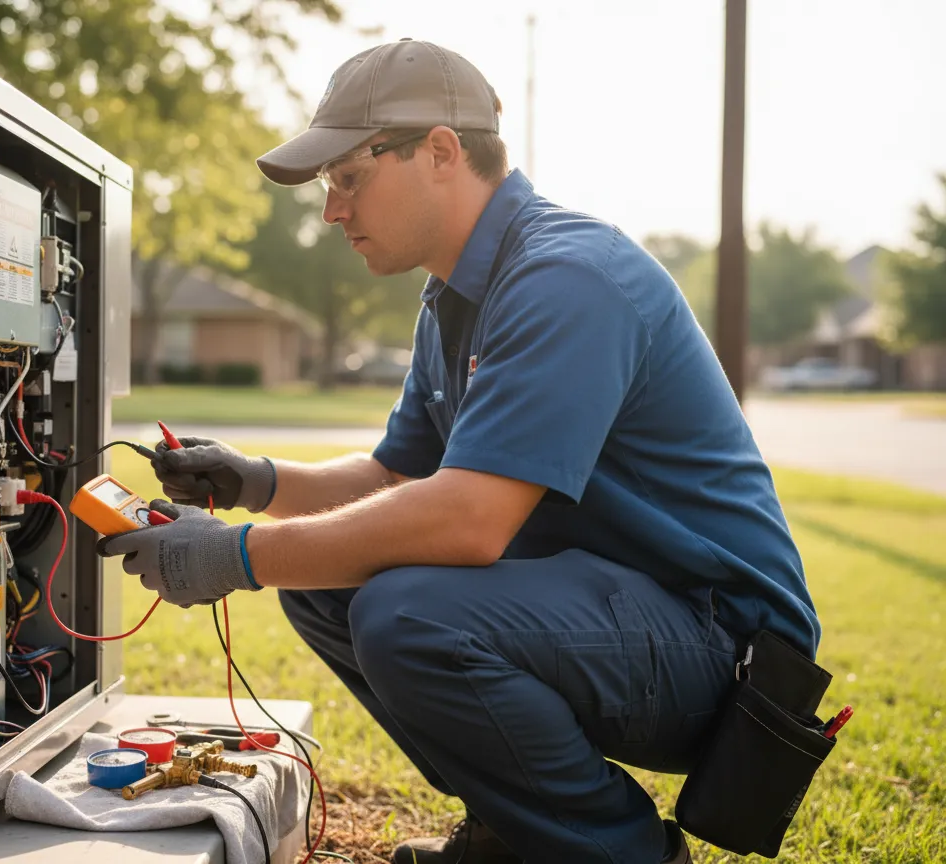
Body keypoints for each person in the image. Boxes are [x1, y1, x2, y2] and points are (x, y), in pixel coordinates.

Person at [99, 39, 821, 864]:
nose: (332, 211)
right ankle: (511, 834)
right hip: (624, 617)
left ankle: (619, 854)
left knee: (403, 614)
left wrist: (234, 555)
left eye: (347, 177)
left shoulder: (567, 276)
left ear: (440, 151)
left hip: (723, 649)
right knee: (325, 587)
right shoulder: (455, 294)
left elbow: (470, 522)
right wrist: (254, 483)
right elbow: (392, 480)